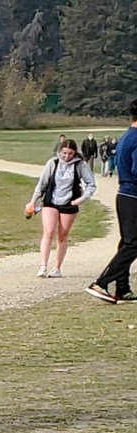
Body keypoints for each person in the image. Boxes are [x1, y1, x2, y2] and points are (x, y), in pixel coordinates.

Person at [87, 100, 137, 303]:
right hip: (133, 196)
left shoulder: (127, 136)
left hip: (125, 195)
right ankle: (101, 282)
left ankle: (122, 289)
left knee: (128, 242)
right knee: (133, 244)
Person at [27, 139, 97, 278]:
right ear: (60, 151)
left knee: (62, 235)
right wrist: (32, 202)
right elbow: (41, 184)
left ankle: (57, 268)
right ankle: (43, 266)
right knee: (48, 232)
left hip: (69, 204)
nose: (67, 157)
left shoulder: (80, 165)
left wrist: (81, 199)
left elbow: (91, 185)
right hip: (51, 202)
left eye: (70, 154)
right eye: (64, 153)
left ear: (75, 153)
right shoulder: (52, 163)